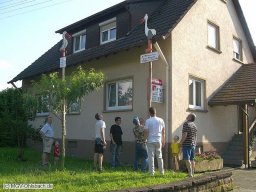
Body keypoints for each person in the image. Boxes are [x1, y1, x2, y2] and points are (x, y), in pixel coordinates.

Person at [144, 107, 165, 176]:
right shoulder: (161, 120)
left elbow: (146, 132)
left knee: (151, 157)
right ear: (155, 112)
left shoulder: (148, 121)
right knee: (159, 157)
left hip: (150, 140)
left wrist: (145, 139)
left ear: (150, 113)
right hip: (158, 140)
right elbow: (163, 132)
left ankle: (151, 173)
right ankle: (162, 172)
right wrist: (163, 141)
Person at [179, 113, 198, 177]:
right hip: (193, 144)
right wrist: (194, 144)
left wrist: (180, 143)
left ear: (190, 118)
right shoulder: (194, 125)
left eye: (188, 115)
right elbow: (195, 136)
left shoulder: (186, 124)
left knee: (187, 159)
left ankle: (190, 173)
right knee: (192, 159)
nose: (187, 115)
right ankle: (192, 172)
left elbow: (185, 134)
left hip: (186, 144)